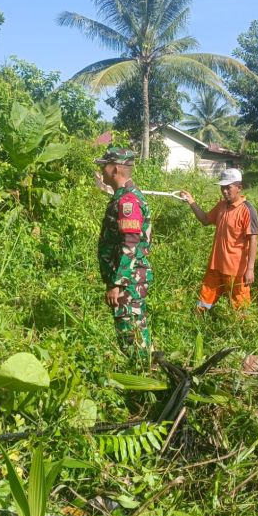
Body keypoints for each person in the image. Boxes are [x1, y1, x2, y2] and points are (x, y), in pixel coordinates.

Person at [95, 147, 153, 359]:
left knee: (131, 334)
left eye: (105, 165)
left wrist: (117, 283)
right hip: (129, 278)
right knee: (133, 329)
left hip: (128, 280)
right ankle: (143, 369)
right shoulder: (123, 196)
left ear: (115, 169)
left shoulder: (127, 201)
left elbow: (130, 243)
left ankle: (140, 376)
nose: (102, 169)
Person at [180, 168, 258, 313]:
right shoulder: (221, 206)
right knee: (203, 302)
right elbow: (205, 220)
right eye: (222, 187)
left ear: (239, 188)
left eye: (228, 187)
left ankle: (244, 333)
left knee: (241, 308)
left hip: (236, 270)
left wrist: (250, 269)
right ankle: (198, 327)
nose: (224, 191)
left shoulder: (247, 210)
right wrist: (191, 201)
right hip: (215, 265)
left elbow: (253, 239)